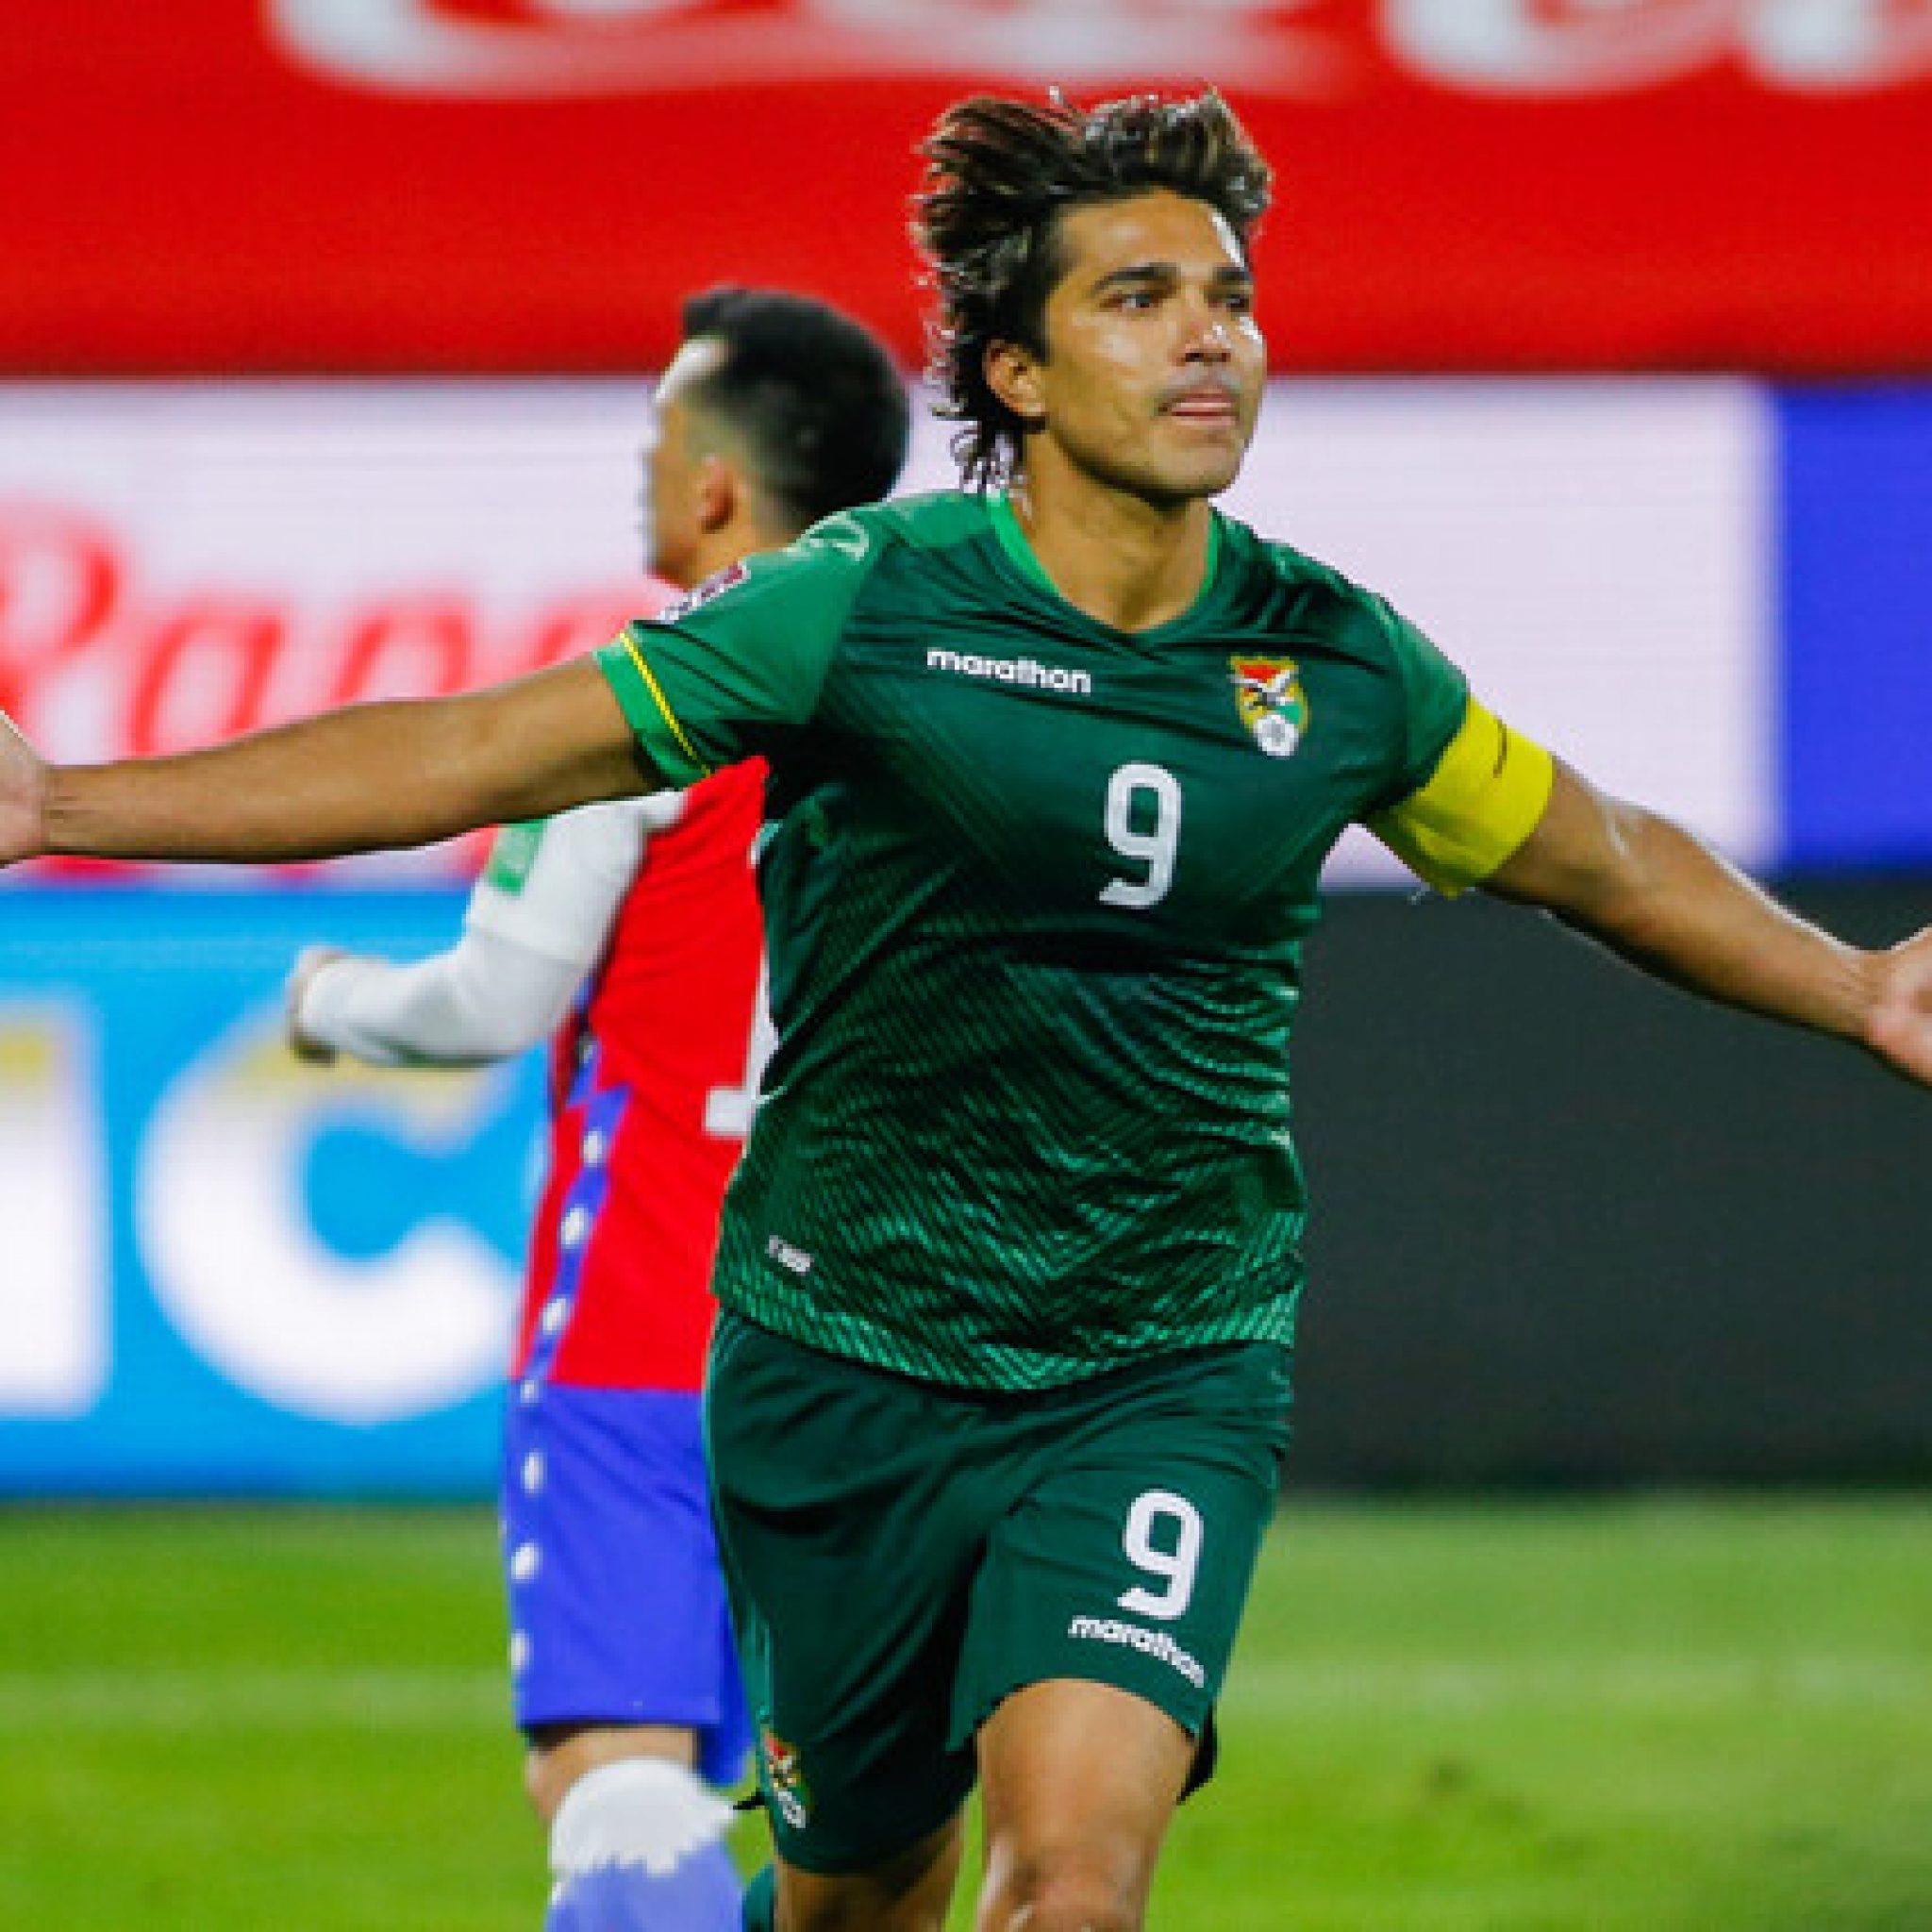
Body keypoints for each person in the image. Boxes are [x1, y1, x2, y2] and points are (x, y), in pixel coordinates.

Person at [3, 90, 1927, 1932]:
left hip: (1158, 1363)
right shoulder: (862, 604)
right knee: (856, 1895)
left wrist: (1862, 987)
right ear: (1015, 374)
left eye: (1230, 296)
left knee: (1072, 1888)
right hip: (844, 1358)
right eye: (1139, 298)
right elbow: (490, 744)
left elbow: (1598, 855)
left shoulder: (1332, 662)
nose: (1209, 337)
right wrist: (70, 803)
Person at [281, 286, 909, 1931]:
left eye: (659, 435)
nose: (642, 468)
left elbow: (496, 999)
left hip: (644, 1332)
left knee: (620, 1788)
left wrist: (330, 1003)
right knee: (854, 1842)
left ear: (715, 482)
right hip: (880, 1355)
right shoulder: (952, 722)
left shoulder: (635, 711)